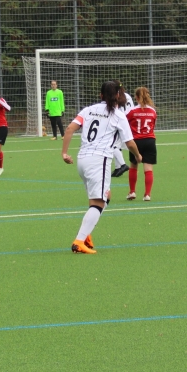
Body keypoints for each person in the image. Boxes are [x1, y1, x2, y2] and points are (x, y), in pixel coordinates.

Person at [62, 81, 142, 254]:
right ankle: (79, 241)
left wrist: (65, 153)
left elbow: (69, 129)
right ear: (118, 96)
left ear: (101, 95)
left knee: (105, 196)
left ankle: (86, 234)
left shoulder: (88, 110)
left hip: (82, 160)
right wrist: (137, 156)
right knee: (99, 202)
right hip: (99, 160)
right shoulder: (118, 115)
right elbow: (129, 142)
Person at [126, 87, 157, 201]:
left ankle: (132, 192)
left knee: (133, 165)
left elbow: (125, 123)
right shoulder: (152, 111)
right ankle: (147, 194)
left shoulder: (132, 111)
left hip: (136, 141)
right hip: (149, 140)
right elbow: (153, 125)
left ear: (136, 97)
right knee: (148, 168)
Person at [110, 84, 134, 178]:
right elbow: (131, 109)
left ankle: (123, 165)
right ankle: (118, 168)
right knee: (117, 146)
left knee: (111, 145)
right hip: (127, 122)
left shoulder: (115, 97)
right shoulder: (127, 96)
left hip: (118, 122)